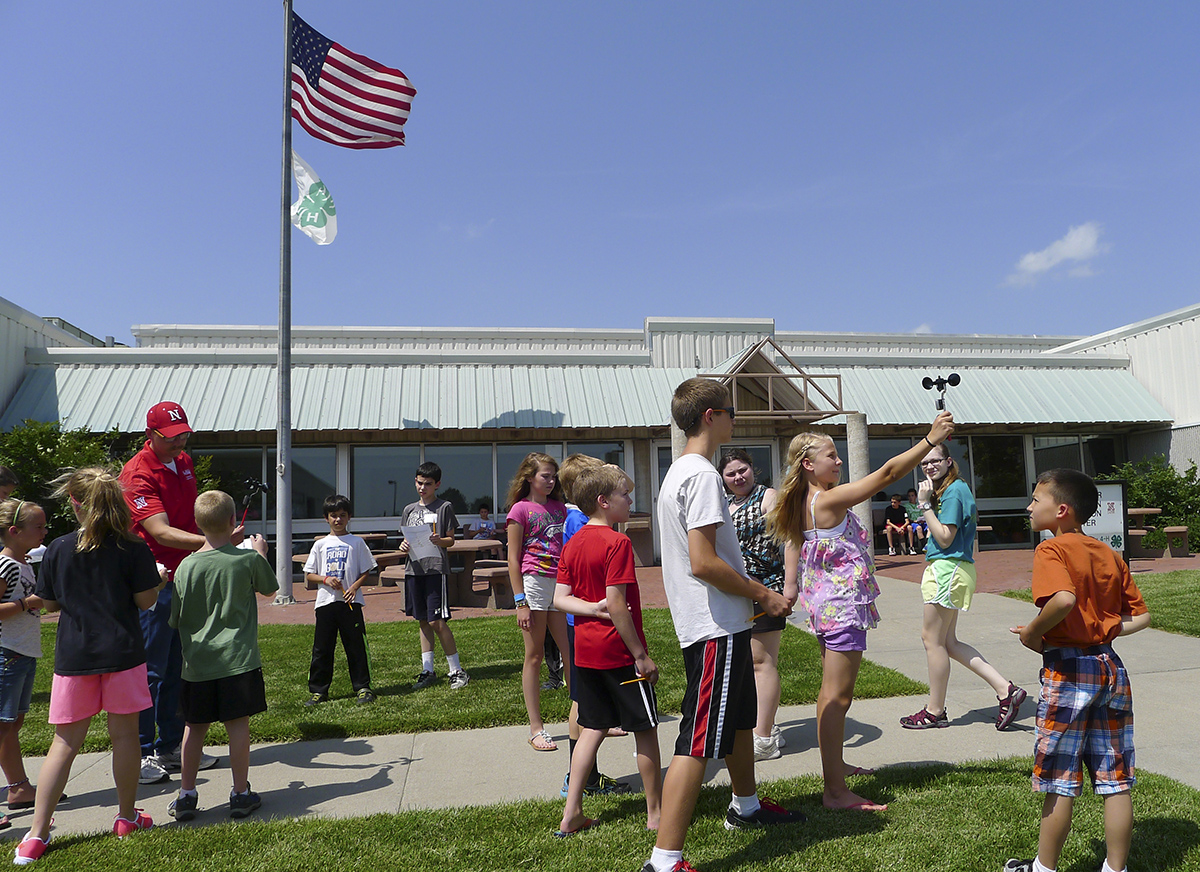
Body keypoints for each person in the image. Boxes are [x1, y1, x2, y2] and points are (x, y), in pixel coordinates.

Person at [643, 379, 803, 872]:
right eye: (731, 411)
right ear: (711, 415)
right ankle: (665, 858)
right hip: (714, 625)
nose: (736, 419)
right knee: (697, 737)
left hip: (716, 622)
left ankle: (746, 806)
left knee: (736, 721)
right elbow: (703, 562)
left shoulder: (680, 473)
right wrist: (764, 595)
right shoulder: (703, 477)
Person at [768, 413, 954, 812]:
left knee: (829, 694)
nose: (838, 462)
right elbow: (887, 474)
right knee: (838, 697)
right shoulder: (827, 499)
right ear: (807, 465)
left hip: (825, 608)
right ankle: (835, 792)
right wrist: (928, 439)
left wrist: (791, 587)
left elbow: (795, 548)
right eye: (831, 456)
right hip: (841, 610)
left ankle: (833, 770)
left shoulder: (804, 500)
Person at [16, 469, 166, 864]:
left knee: (64, 745)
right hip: (124, 655)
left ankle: (35, 834)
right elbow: (147, 601)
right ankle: (126, 816)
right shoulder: (132, 548)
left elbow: (49, 604)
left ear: (75, 502)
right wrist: (160, 580)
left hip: (75, 657)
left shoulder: (58, 549)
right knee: (125, 738)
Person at [1006, 469, 1150, 872]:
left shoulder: (1051, 550)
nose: (1029, 507)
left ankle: (1043, 868)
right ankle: (1115, 869)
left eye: (1036, 500)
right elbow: (1142, 617)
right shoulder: (1108, 553)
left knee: (1060, 776)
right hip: (1109, 668)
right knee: (1114, 775)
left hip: (1069, 671)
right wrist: (1101, 630)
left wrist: (1033, 634)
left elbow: (1064, 599)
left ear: (1061, 510)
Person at [120, 401, 233, 783]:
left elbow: (190, 516)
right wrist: (213, 541)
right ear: (149, 435)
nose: (179, 442)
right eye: (170, 437)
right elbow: (160, 531)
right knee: (150, 670)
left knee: (178, 667)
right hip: (153, 581)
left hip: (184, 575)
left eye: (183, 433)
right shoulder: (137, 474)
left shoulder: (183, 462)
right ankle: (141, 752)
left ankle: (172, 746)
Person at [553, 464, 660, 837]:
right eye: (624, 495)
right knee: (645, 730)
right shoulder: (618, 543)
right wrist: (640, 655)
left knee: (592, 728)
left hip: (585, 653)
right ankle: (656, 814)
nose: (630, 499)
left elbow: (560, 599)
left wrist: (591, 608)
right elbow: (617, 603)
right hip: (618, 654)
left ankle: (572, 813)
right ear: (604, 502)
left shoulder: (574, 541)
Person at [899, 440, 1026, 731]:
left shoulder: (954, 491)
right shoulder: (950, 490)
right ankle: (1006, 690)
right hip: (952, 568)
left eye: (935, 461)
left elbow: (945, 537)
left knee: (932, 641)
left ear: (948, 461)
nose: (930, 466)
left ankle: (935, 711)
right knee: (948, 643)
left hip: (948, 569)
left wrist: (923, 504)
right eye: (925, 462)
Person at [167, 491, 277, 822]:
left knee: (193, 727)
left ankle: (187, 794)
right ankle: (241, 793)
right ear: (233, 522)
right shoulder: (247, 560)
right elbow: (270, 589)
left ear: (198, 524)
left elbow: (176, 617)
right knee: (237, 726)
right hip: (238, 660)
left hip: (197, 663)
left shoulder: (185, 566)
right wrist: (261, 552)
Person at [556, 454, 630, 800]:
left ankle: (584, 776)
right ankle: (581, 776)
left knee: (585, 705)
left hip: (585, 617)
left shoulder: (578, 520)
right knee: (581, 704)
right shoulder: (581, 525)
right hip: (591, 620)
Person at [718, 448, 795, 762]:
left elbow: (791, 538)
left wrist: (790, 584)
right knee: (748, 665)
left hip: (767, 589)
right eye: (731, 473)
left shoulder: (769, 498)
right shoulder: (726, 503)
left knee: (761, 662)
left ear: (753, 469)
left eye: (743, 470)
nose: (738, 477)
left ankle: (763, 739)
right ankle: (768, 726)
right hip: (736, 592)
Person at [505, 452, 570, 751]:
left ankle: (586, 718)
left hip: (562, 583)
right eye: (545, 475)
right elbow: (513, 560)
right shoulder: (520, 510)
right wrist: (521, 602)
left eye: (553, 476)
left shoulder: (561, 509)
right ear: (529, 477)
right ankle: (536, 728)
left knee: (571, 652)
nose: (551, 480)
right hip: (534, 583)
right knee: (534, 655)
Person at [398, 462, 469, 690]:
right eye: (419, 483)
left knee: (437, 621)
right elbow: (405, 536)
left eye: (428, 484)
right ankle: (427, 670)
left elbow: (451, 539)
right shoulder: (409, 510)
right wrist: (403, 545)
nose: (422, 487)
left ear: (437, 484)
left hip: (435, 569)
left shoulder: (444, 507)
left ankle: (456, 670)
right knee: (422, 620)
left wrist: (441, 541)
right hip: (414, 569)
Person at [303, 494, 378, 706]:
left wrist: (354, 587)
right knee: (322, 648)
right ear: (326, 518)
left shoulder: (357, 542)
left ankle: (363, 687)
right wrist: (326, 579)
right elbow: (309, 574)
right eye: (333, 516)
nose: (338, 520)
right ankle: (318, 691)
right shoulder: (320, 544)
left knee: (355, 646)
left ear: (349, 517)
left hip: (350, 604)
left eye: (342, 515)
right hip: (326, 603)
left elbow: (367, 570)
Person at [0, 499, 48, 826]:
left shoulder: (25, 561)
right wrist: (26, 602)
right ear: (15, 532)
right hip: (7, 652)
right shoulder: (6, 566)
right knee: (3, 725)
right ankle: (17, 786)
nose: (45, 531)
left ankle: (19, 788)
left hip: (24, 652)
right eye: (39, 526)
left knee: (13, 724)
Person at [903, 487, 927, 553]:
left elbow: (922, 515)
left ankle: (929, 544)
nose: (911, 498)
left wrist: (922, 520)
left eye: (912, 496)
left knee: (930, 528)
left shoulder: (919, 505)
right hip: (913, 522)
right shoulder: (906, 506)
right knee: (919, 528)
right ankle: (924, 546)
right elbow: (906, 517)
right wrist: (914, 521)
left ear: (916, 496)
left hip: (922, 521)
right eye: (909, 496)